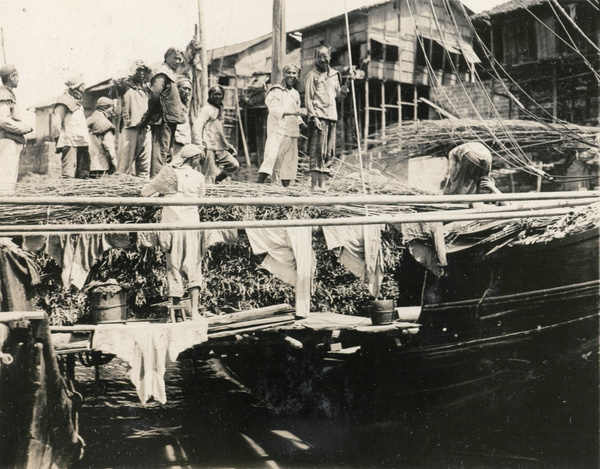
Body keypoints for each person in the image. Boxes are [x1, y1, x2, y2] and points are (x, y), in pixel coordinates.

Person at [141, 144, 205, 320]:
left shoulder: (168, 173)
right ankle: (194, 311)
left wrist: (161, 196)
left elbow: (145, 192)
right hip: (192, 225)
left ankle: (175, 312)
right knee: (193, 265)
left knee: (173, 266)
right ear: (193, 159)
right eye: (199, 158)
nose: (200, 161)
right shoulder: (198, 177)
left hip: (172, 226)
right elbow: (201, 201)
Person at [305, 45, 353, 191]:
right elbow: (308, 99)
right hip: (319, 117)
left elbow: (338, 97)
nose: (322, 59)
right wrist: (314, 117)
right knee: (317, 150)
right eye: (319, 56)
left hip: (332, 116)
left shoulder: (335, 75)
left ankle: (323, 184)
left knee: (329, 151)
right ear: (315, 58)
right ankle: (314, 185)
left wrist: (346, 85)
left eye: (324, 55)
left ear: (330, 57)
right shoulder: (312, 76)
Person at [257, 63, 305, 187]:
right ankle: (259, 185)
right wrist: (295, 112)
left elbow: (296, 112)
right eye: (289, 73)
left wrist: (301, 123)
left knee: (289, 160)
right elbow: (275, 110)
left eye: (294, 73)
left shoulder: (295, 93)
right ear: (283, 75)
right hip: (277, 128)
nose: (292, 76)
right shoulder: (276, 90)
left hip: (291, 130)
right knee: (271, 156)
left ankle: (284, 189)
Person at [145, 47, 187, 178]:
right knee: (160, 151)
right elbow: (154, 94)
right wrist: (150, 114)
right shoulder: (161, 73)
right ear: (167, 57)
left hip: (170, 119)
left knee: (167, 152)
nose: (178, 61)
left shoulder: (169, 73)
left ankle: (163, 181)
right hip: (163, 118)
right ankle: (156, 182)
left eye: (180, 58)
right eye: (175, 58)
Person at [192, 85, 239, 184]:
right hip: (208, 146)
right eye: (215, 94)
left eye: (219, 94)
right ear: (210, 96)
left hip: (219, 147)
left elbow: (218, 131)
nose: (217, 97)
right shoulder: (207, 109)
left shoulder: (220, 109)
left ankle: (217, 180)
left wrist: (227, 145)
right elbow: (197, 126)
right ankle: (207, 194)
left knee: (233, 164)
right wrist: (199, 144)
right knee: (208, 174)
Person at [115, 60, 151, 178]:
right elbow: (116, 79)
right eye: (138, 70)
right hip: (130, 127)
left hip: (145, 128)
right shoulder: (125, 86)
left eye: (143, 70)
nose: (141, 73)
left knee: (144, 164)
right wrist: (131, 70)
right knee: (125, 165)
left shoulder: (146, 89)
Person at [0, 64, 32, 194]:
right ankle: (4, 208)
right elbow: (4, 120)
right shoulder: (4, 95)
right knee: (6, 178)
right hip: (7, 141)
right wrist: (24, 128)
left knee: (9, 177)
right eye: (17, 76)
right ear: (11, 77)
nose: (19, 79)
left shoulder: (8, 94)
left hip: (10, 140)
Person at [52, 73, 90, 179]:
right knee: (68, 175)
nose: (85, 86)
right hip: (70, 143)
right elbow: (56, 123)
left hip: (82, 142)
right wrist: (58, 140)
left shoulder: (77, 101)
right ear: (76, 86)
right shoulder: (63, 100)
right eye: (82, 84)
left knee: (83, 174)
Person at [86, 97, 117, 178]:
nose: (112, 111)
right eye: (111, 108)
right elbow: (109, 146)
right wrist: (114, 162)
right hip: (100, 165)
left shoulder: (89, 120)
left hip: (88, 164)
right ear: (105, 108)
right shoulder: (105, 124)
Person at [172, 77, 193, 160]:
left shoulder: (185, 105)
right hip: (177, 141)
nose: (187, 92)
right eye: (184, 88)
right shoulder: (173, 103)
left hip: (184, 141)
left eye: (189, 89)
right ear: (177, 88)